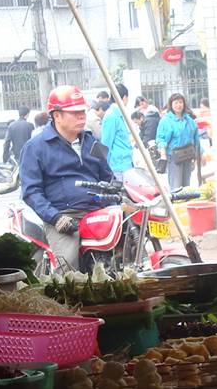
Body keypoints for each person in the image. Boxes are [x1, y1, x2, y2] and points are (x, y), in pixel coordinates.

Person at [19, 85, 114, 272]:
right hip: (64, 216)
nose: (81, 117)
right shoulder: (35, 147)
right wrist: (55, 218)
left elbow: (108, 175)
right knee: (69, 269)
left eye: (82, 112)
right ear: (56, 115)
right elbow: (31, 192)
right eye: (74, 112)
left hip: (97, 210)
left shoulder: (92, 140)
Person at [157, 93, 201, 191]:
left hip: (188, 156)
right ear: (171, 105)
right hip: (173, 158)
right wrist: (163, 155)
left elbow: (196, 139)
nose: (178, 105)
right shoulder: (166, 121)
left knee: (187, 187)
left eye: (180, 102)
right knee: (176, 187)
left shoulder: (189, 120)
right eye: (176, 102)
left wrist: (200, 154)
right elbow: (161, 139)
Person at [98, 82, 136, 176]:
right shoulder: (111, 116)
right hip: (117, 167)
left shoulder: (119, 114)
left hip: (126, 164)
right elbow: (106, 143)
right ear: (125, 98)